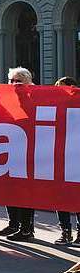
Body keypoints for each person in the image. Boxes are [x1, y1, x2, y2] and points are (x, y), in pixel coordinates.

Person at [0, 67, 37, 241]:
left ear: (28, 82)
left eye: (19, 80)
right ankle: (13, 223)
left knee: (25, 192)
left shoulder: (36, 96)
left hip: (29, 151)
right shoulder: (7, 99)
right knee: (9, 189)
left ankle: (27, 228)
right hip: (9, 149)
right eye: (12, 80)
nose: (14, 84)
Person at [54, 76, 80, 244]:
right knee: (59, 196)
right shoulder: (55, 106)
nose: (57, 91)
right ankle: (65, 231)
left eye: (60, 88)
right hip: (59, 157)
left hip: (76, 157)